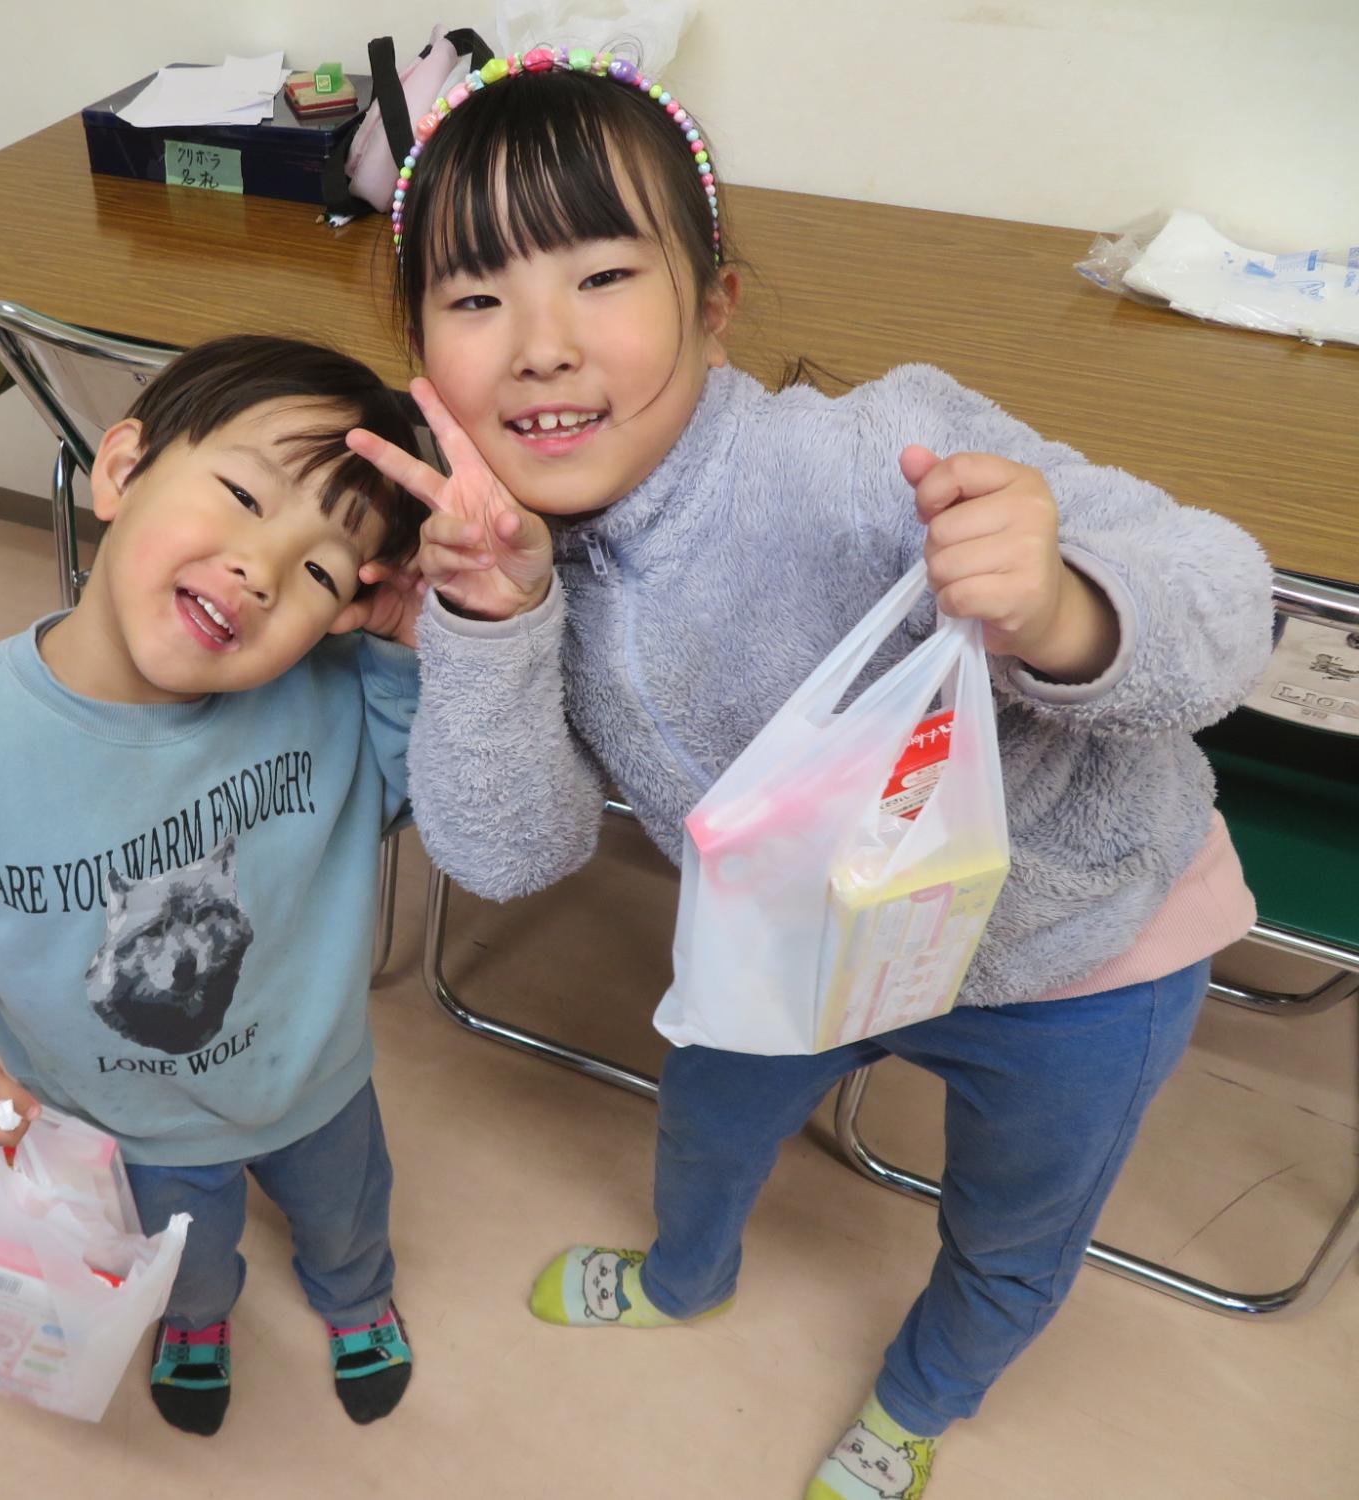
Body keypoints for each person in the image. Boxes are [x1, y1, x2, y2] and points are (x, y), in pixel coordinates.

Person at [347, 47, 1272, 1499]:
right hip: (802, 951)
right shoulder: (507, 559)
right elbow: (505, 850)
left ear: (714, 306)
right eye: (475, 298)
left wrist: (1064, 604)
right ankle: (685, 1274)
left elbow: (1224, 588)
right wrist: (496, 618)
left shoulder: (865, 458)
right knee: (704, 1126)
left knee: (1014, 1229)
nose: (538, 343)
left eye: (601, 276)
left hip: (1082, 958)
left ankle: (923, 1397)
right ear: (420, 348)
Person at [0, 336, 428, 1436]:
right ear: (118, 468)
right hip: (125, 1128)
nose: (263, 568)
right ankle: (197, 1321)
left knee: (347, 1212)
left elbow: (422, 795)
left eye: (318, 572)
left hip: (316, 1077)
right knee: (181, 1263)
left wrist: (407, 650)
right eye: (241, 495)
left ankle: (357, 1298)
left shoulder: (331, 690)